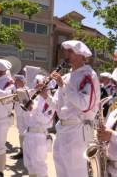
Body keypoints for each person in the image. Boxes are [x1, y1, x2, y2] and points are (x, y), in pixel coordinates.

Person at [46, 40, 101, 177]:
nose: (66, 54)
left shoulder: (88, 75)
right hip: (62, 129)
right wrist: (44, 95)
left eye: (70, 51)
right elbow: (56, 106)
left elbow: (85, 105)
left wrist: (63, 86)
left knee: (76, 171)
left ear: (82, 55)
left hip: (77, 130)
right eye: (66, 51)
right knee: (61, 170)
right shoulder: (66, 76)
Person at [23, 74, 54, 177]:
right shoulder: (33, 99)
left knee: (39, 166)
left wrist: (34, 110)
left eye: (41, 86)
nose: (38, 87)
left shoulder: (49, 102)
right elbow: (25, 117)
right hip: (28, 134)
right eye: (37, 85)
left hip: (39, 136)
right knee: (29, 164)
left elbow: (45, 120)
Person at [10, 74, 28, 160]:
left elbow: (27, 101)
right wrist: (14, 98)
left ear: (22, 81)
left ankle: (27, 152)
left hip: (26, 114)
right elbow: (13, 101)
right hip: (19, 113)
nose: (15, 82)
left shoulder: (27, 89)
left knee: (26, 133)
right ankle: (22, 151)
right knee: (20, 133)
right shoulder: (16, 89)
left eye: (17, 80)